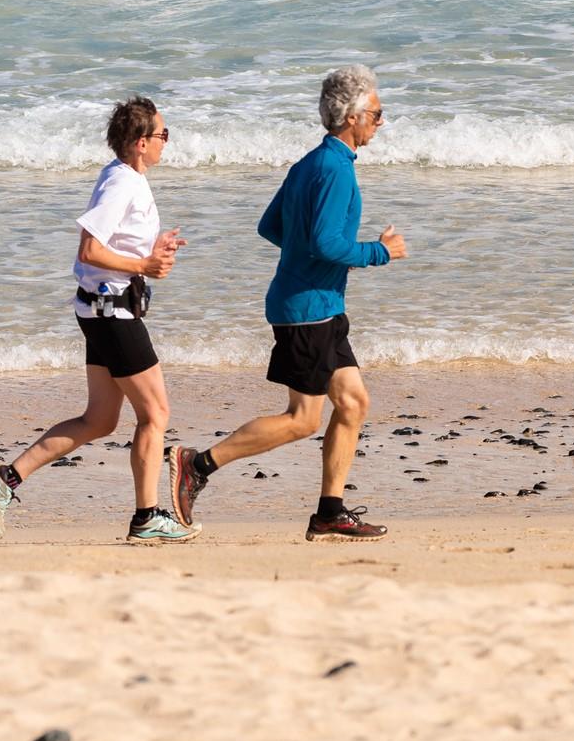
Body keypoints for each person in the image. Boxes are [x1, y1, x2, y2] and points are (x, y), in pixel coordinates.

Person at [166, 65, 406, 540]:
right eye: (377, 114)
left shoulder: (310, 163)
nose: (381, 122)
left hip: (320, 304)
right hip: (307, 311)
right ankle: (199, 465)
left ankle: (329, 512)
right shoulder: (335, 169)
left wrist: (318, 259)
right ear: (353, 116)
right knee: (302, 419)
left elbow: (272, 228)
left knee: (354, 403)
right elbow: (325, 243)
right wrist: (379, 252)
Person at [0, 95, 194, 543]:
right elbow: (89, 251)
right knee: (155, 413)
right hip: (112, 312)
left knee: (99, 420)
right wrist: (144, 267)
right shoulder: (123, 184)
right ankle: (147, 517)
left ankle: (6, 479)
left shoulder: (126, 177)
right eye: (163, 135)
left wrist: (153, 249)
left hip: (101, 308)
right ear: (139, 142)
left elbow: (111, 247)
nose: (166, 143)